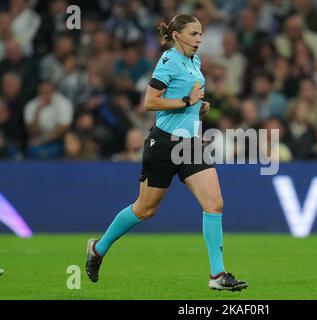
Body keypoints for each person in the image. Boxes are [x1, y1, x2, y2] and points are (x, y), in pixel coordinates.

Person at [85, 14, 248, 292]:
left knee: (214, 203)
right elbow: (149, 102)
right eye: (194, 34)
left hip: (191, 145)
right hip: (163, 145)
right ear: (177, 35)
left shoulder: (194, 62)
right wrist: (186, 101)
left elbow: (187, 100)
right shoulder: (168, 60)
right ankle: (98, 249)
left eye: (200, 34)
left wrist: (198, 106)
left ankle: (217, 275)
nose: (199, 39)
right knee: (145, 209)